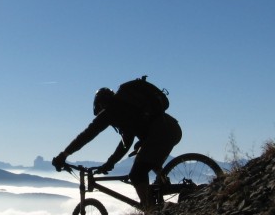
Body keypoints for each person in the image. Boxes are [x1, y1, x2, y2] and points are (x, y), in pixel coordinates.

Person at [52, 86, 182, 208]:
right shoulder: (124, 109)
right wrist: (111, 162)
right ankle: (163, 186)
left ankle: (150, 210)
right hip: (170, 129)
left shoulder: (111, 112)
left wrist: (64, 155)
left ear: (100, 104)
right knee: (145, 158)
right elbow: (126, 142)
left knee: (136, 174)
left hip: (163, 133)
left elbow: (86, 135)